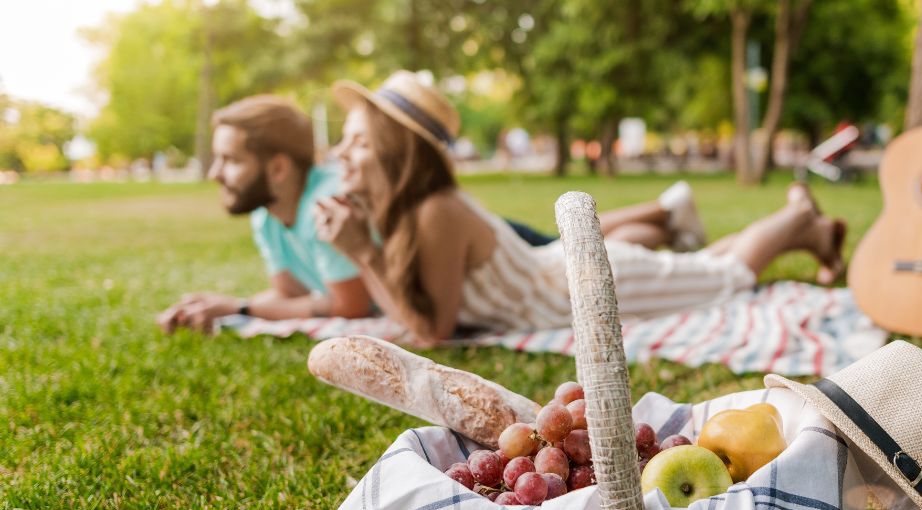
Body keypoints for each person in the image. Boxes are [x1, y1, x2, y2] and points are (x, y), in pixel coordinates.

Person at [314, 71, 847, 348]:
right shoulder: (414, 212)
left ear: (395, 151)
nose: (340, 153)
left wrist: (362, 252)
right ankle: (813, 235)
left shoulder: (435, 211)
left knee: (726, 278)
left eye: (357, 142)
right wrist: (364, 244)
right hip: (568, 280)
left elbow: (433, 333)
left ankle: (797, 216)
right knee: (700, 267)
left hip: (586, 289)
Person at [157, 96, 373, 334]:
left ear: (278, 168)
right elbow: (289, 293)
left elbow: (351, 305)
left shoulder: (327, 203)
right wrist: (224, 307)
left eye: (230, 160)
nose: (214, 173)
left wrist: (240, 308)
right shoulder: (266, 214)